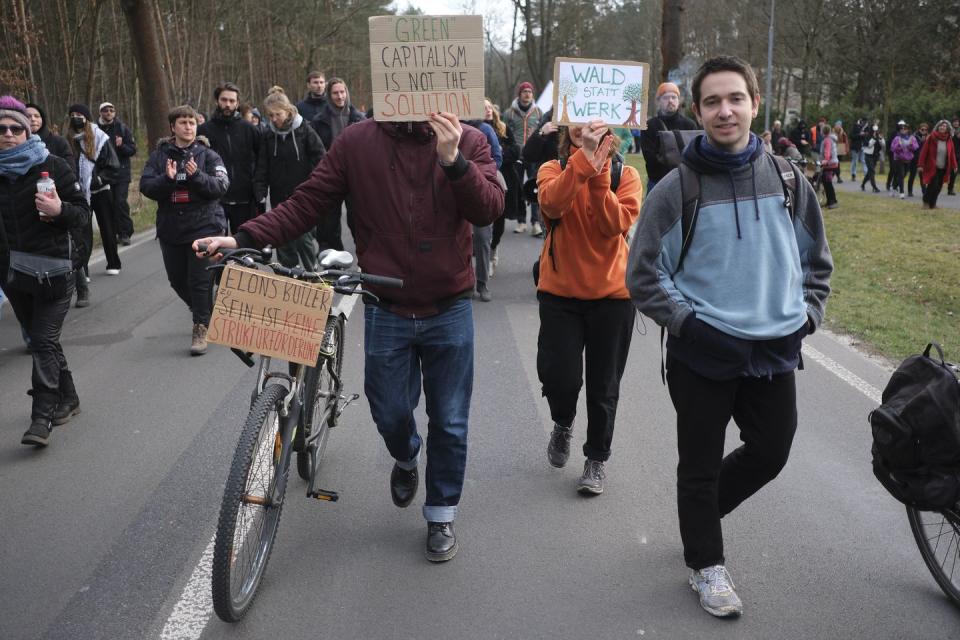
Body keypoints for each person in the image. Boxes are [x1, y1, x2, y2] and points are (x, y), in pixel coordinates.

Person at [193, 112, 504, 562]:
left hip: (448, 306)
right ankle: (406, 455)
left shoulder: (469, 139)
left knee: (451, 420)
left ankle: (440, 512)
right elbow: (308, 201)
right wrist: (243, 236)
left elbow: (489, 209)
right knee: (390, 411)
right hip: (386, 304)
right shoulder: (358, 142)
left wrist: (453, 159)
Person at [626, 56, 832, 618]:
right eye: (713, 101)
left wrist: (809, 315)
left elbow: (817, 260)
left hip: (772, 349)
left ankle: (697, 517)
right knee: (697, 462)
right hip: (703, 351)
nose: (725, 110)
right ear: (698, 111)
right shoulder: (676, 188)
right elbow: (643, 275)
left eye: (735, 98)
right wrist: (689, 325)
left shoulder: (789, 178)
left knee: (772, 449)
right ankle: (706, 565)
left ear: (754, 104)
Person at [537, 120, 641, 494]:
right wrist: (584, 163)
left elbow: (614, 223)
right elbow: (552, 204)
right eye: (578, 119)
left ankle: (596, 458)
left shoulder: (625, 176)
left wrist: (600, 175)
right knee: (559, 377)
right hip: (560, 295)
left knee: (604, 385)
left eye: (595, 120)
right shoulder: (553, 169)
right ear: (568, 128)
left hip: (612, 298)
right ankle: (562, 423)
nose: (586, 126)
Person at [0, 96, 90, 446]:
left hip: (54, 270)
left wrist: (58, 210)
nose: (8, 134)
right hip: (12, 275)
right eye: (1, 128)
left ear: (28, 131)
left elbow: (82, 215)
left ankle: (42, 417)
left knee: (41, 341)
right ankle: (69, 398)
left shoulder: (52, 165)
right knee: (44, 340)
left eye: (15, 128)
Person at [140, 105, 229, 355]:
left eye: (191, 122)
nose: (188, 127)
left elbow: (220, 186)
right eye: (183, 123)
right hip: (171, 229)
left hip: (205, 226)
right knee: (177, 280)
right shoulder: (159, 156)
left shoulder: (208, 155)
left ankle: (200, 327)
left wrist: (197, 176)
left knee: (200, 281)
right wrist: (167, 180)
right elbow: (146, 187)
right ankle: (206, 311)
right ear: (173, 127)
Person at [254, 87, 325, 270]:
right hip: (279, 196)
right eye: (270, 115)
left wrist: (316, 184)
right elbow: (263, 165)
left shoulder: (304, 130)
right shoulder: (268, 135)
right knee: (283, 240)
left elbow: (321, 157)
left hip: (304, 195)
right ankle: (288, 277)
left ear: (288, 111)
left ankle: (313, 274)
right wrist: (260, 191)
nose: (274, 119)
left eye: (277, 114)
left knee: (304, 238)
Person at [67, 103, 122, 306]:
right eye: (72, 115)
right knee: (82, 231)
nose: (76, 117)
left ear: (87, 117)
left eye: (79, 114)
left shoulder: (100, 138)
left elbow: (113, 165)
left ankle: (113, 261)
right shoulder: (69, 140)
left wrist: (98, 179)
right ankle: (85, 269)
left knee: (107, 227)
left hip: (100, 189)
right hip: (79, 192)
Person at [310, 77, 365, 252]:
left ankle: (364, 258)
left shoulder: (359, 118)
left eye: (342, 92)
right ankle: (335, 263)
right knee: (329, 224)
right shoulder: (319, 121)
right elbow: (314, 152)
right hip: (331, 177)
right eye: (335, 93)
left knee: (358, 221)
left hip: (356, 177)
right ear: (329, 95)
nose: (340, 96)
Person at [198, 82, 260, 233]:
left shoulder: (249, 129)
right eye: (224, 100)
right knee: (218, 249)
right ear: (217, 101)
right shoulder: (204, 130)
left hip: (245, 198)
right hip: (215, 200)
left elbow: (262, 160)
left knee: (245, 248)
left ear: (237, 103)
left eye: (232, 101)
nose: (227, 104)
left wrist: (258, 188)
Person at [639, 82, 699, 193]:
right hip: (657, 182)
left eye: (674, 97)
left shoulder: (689, 125)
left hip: (683, 181)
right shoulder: (649, 126)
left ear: (678, 100)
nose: (670, 100)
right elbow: (649, 157)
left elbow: (693, 154)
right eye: (666, 97)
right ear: (658, 101)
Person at [503, 81, 544, 236]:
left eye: (530, 92)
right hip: (517, 156)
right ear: (519, 94)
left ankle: (535, 223)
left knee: (535, 187)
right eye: (524, 91)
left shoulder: (539, 112)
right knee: (518, 188)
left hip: (533, 155)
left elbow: (542, 132)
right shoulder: (509, 113)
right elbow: (503, 132)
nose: (527, 94)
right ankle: (521, 221)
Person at [486, 98, 518, 278]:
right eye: (483, 108)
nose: (487, 110)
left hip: (503, 178)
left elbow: (516, 150)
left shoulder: (503, 128)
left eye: (489, 107)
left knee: (499, 218)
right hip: (479, 178)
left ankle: (492, 252)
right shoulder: (470, 128)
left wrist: (497, 156)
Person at [96, 102, 137, 245]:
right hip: (104, 174)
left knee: (120, 203)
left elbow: (132, 150)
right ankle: (112, 233)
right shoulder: (95, 129)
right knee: (109, 204)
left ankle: (125, 233)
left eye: (111, 110)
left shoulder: (122, 128)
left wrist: (122, 146)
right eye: (105, 110)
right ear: (100, 112)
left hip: (121, 173)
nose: (108, 112)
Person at [917, 119, 958, 210]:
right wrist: (920, 165)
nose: (942, 127)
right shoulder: (932, 137)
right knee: (933, 185)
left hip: (943, 167)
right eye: (940, 126)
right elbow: (924, 152)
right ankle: (926, 202)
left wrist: (955, 165)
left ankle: (933, 204)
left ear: (947, 128)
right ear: (938, 127)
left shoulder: (949, 139)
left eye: (944, 126)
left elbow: (952, 154)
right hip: (932, 166)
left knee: (939, 187)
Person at [889, 121, 918, 199]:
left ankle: (894, 186)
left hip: (908, 159)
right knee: (901, 175)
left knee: (904, 175)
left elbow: (916, 147)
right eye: (902, 129)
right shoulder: (897, 138)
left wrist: (911, 146)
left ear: (908, 130)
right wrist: (899, 147)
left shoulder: (912, 138)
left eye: (905, 129)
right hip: (898, 159)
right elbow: (892, 148)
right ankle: (902, 192)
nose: (903, 130)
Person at [819, 122, 839, 209]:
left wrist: (825, 160)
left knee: (828, 183)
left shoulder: (827, 140)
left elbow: (827, 152)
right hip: (832, 164)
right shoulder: (830, 139)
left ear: (823, 132)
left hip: (829, 164)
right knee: (826, 183)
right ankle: (829, 201)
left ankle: (833, 201)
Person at [907, 122, 929, 198]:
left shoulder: (928, 137)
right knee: (912, 175)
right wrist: (921, 142)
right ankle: (910, 191)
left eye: (925, 130)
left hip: (923, 159)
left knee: (922, 176)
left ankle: (924, 192)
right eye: (922, 129)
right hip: (914, 158)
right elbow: (914, 147)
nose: (924, 131)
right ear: (919, 129)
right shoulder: (914, 136)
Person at [860, 125, 882, 193]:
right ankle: (874, 187)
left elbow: (882, 146)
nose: (875, 132)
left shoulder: (878, 136)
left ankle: (863, 184)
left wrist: (880, 139)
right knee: (872, 171)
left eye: (876, 131)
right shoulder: (867, 136)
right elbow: (869, 145)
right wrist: (874, 138)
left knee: (870, 172)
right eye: (874, 131)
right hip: (868, 156)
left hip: (875, 156)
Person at [948, 116, 960, 196]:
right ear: (952, 123)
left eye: (957, 121)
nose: (956, 123)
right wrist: (951, 136)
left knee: (954, 173)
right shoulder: (949, 131)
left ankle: (950, 189)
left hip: (958, 154)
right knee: (946, 172)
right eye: (954, 121)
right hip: (949, 154)